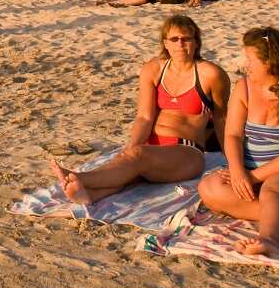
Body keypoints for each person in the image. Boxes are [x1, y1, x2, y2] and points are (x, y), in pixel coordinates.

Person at [50, 16, 230, 204]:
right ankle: (91, 196)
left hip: (186, 151)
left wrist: (232, 163)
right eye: (174, 39)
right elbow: (144, 117)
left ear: (196, 43)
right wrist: (132, 146)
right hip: (151, 145)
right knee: (130, 164)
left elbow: (222, 120)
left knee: (136, 158)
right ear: (165, 43)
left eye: (186, 39)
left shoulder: (211, 75)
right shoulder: (153, 69)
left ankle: (80, 178)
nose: (180, 44)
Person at [197, 27, 279, 257]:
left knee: (273, 189)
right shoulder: (244, 87)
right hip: (251, 173)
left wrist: (253, 177)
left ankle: (270, 239)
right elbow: (232, 135)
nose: (246, 65)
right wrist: (237, 171)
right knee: (209, 188)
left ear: (270, 62)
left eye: (250, 60)